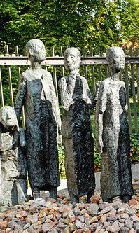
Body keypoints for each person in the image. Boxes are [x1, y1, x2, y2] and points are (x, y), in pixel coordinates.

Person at [14, 39, 61, 200]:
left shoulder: (47, 75)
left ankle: (53, 187)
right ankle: (36, 188)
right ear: (32, 53)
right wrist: (15, 127)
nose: (44, 50)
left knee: (51, 154)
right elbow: (18, 103)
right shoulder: (25, 76)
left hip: (49, 123)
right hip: (34, 124)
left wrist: (59, 122)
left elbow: (54, 101)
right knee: (35, 154)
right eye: (40, 48)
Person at [95, 46, 133, 203]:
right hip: (110, 129)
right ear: (110, 62)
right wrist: (98, 136)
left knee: (124, 159)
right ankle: (113, 193)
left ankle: (126, 191)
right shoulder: (105, 84)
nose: (122, 60)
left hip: (122, 128)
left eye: (123, 57)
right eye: (118, 57)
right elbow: (99, 112)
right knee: (112, 161)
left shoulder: (123, 84)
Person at [58, 48, 95, 203]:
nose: (69, 60)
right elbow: (65, 103)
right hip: (71, 127)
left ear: (79, 60)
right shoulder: (63, 81)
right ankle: (74, 194)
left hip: (84, 126)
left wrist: (93, 98)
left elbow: (90, 103)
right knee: (72, 160)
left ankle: (89, 193)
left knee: (86, 158)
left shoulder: (83, 80)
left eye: (72, 57)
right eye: (66, 58)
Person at [0, 106, 27, 216]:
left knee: (22, 200)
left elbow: (24, 151)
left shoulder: (20, 132)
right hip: (4, 167)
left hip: (18, 166)